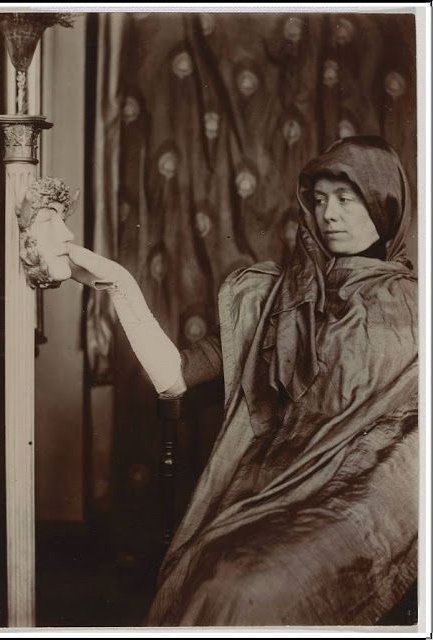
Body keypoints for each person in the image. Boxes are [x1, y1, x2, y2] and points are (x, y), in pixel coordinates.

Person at [67, 136, 418, 626]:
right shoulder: (275, 296)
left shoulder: (413, 306)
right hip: (271, 495)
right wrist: (117, 283)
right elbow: (174, 378)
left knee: (245, 588)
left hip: (364, 505)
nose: (329, 214)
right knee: (215, 573)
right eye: (319, 200)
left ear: (384, 204)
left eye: (346, 199)